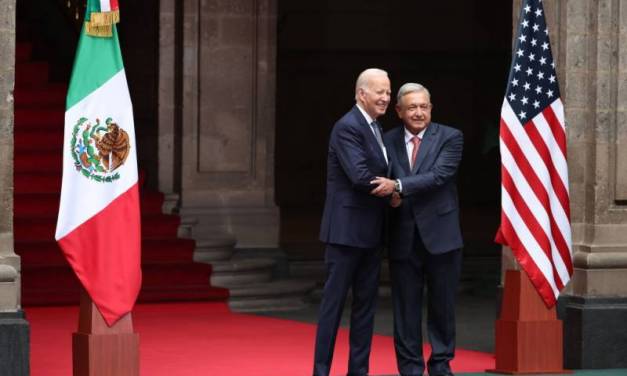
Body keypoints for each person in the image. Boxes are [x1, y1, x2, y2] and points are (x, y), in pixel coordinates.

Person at [371, 83, 463, 376]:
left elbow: (439, 176)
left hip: (441, 236)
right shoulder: (386, 141)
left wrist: (398, 186)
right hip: (403, 236)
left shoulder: (450, 137)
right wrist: (392, 198)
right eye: (412, 107)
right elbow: (380, 182)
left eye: (424, 107)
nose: (419, 113)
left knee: (442, 307)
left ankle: (440, 365)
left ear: (431, 108)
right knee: (406, 309)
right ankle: (409, 369)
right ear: (398, 111)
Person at [313, 68, 393, 376]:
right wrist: (393, 189)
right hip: (345, 234)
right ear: (362, 94)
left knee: (365, 308)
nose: (386, 97)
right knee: (332, 307)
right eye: (380, 92)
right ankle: (321, 371)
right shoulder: (347, 126)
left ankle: (358, 371)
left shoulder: (375, 127)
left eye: (388, 92)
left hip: (372, 233)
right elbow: (359, 175)